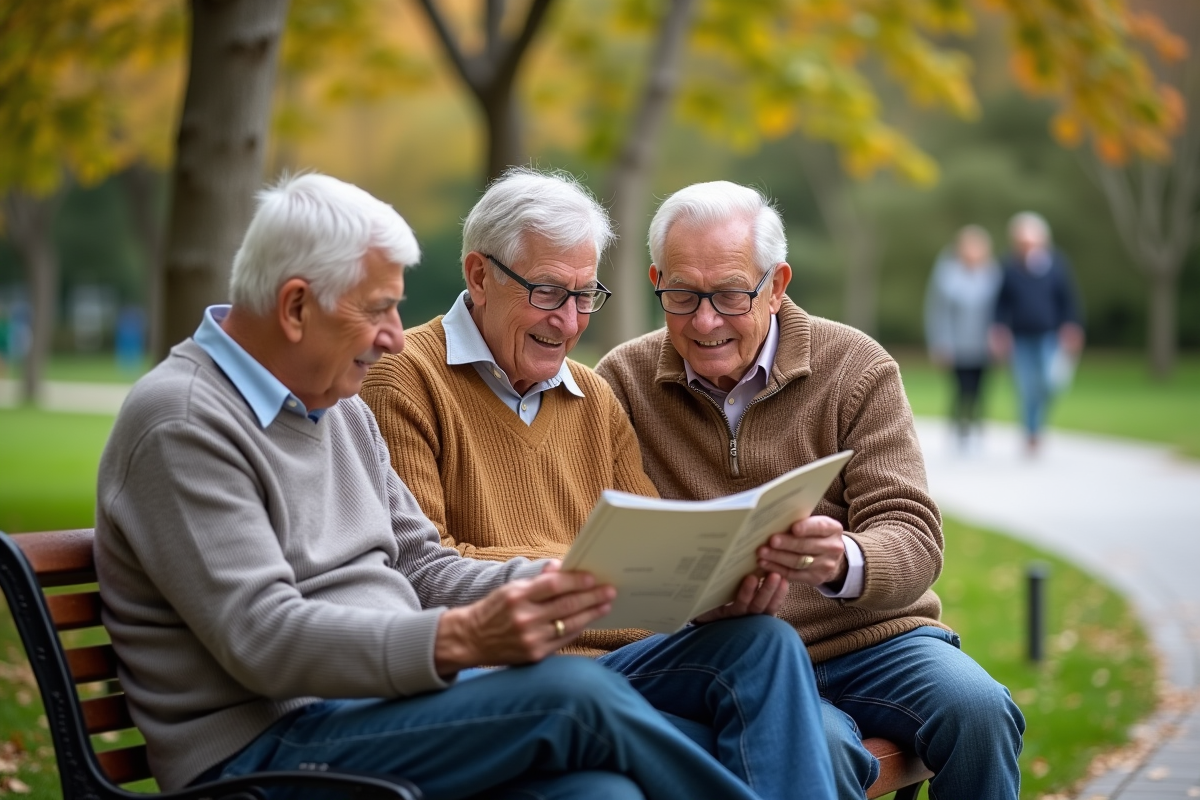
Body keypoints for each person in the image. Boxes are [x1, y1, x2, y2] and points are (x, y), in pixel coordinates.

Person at [93, 172, 780, 800]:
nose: (396, 336)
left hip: (385, 710)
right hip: (264, 753)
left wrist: (552, 583)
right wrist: (458, 641)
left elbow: (422, 565)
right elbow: (264, 640)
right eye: (378, 309)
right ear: (297, 307)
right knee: (575, 696)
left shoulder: (338, 409)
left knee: (598, 794)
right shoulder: (184, 423)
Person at [361, 167, 837, 800]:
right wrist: (597, 578)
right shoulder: (403, 381)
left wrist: (705, 596)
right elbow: (427, 571)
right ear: (479, 276)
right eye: (549, 292)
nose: (569, 322)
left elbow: (652, 561)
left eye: (586, 296)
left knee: (762, 643)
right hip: (509, 677)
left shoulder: (594, 395)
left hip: (617, 666)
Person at [594, 181, 1026, 800]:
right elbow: (615, 548)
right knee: (823, 751)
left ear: (776, 284)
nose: (704, 320)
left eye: (730, 295)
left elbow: (913, 534)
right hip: (727, 658)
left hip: (873, 641)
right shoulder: (624, 381)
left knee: (980, 710)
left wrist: (842, 560)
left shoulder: (856, 366)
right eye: (682, 295)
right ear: (657, 278)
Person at [990, 211, 1084, 454]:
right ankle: (1031, 431)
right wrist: (999, 330)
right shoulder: (1009, 266)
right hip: (1020, 338)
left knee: (1051, 383)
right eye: (1022, 241)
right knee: (1026, 387)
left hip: (1049, 336)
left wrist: (1072, 325)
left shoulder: (1056, 264)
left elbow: (1067, 299)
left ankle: (1038, 422)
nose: (1026, 245)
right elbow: (1001, 303)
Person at [923, 224, 1002, 452]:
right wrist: (939, 342)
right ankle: (959, 428)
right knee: (960, 388)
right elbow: (937, 311)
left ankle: (977, 427)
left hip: (984, 344)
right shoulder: (946, 273)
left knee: (980, 388)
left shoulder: (993, 273)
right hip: (955, 344)